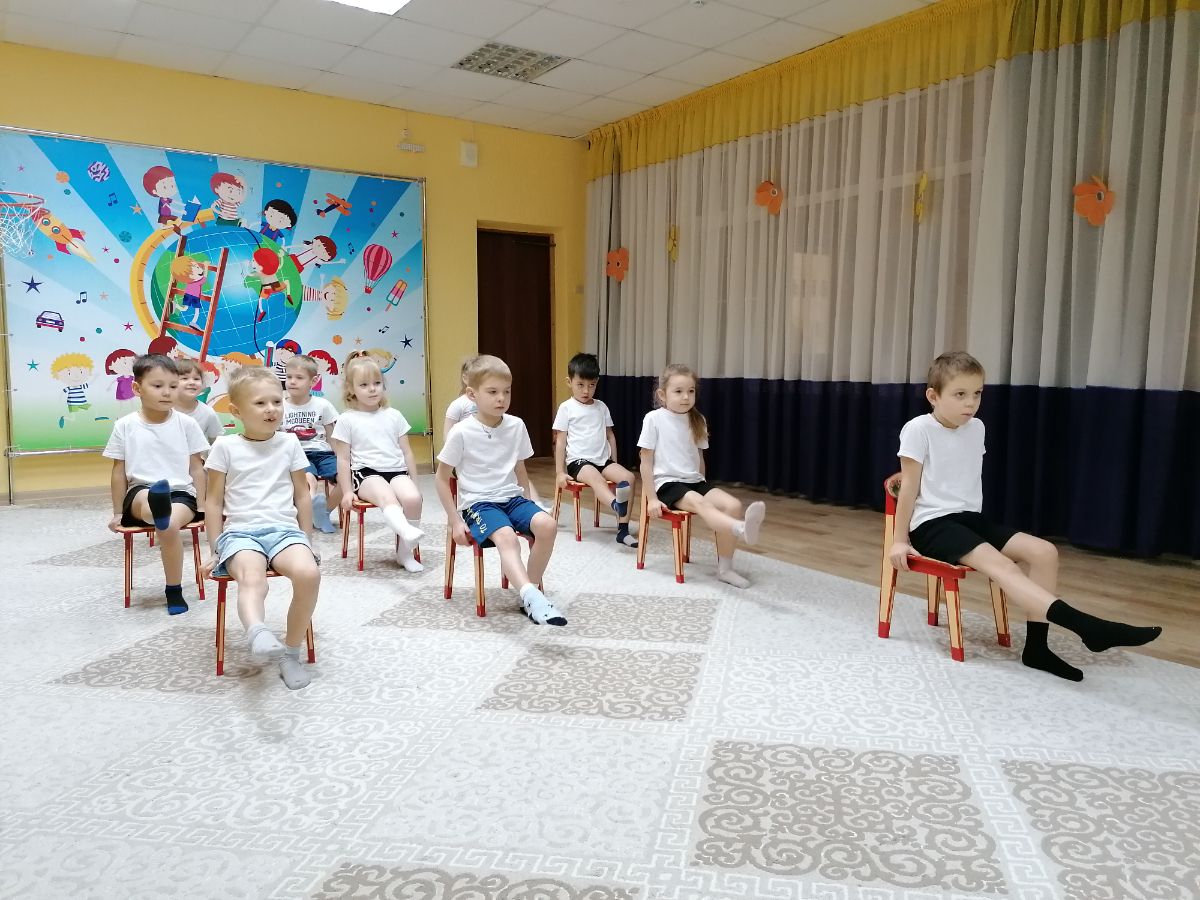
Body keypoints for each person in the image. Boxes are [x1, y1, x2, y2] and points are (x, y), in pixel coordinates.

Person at [889, 350, 1162, 681]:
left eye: (977, 393)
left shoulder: (976, 428)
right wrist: (899, 540)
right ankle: (1089, 627)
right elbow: (909, 488)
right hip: (932, 525)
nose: (970, 403)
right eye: (960, 394)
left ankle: (1037, 649)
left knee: (1045, 552)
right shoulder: (918, 429)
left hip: (969, 518)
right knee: (1004, 567)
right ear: (933, 396)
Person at [202, 367, 320, 690]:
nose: (271, 409)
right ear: (236, 411)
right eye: (260, 403)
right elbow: (213, 502)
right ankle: (257, 631)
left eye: (277, 401)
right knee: (253, 579)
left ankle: (290, 654)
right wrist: (215, 549)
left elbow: (302, 495)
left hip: (284, 530)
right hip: (241, 534)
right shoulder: (225, 446)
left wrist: (307, 541)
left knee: (309, 574)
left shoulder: (289, 442)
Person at [435, 355, 565, 626]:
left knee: (547, 525)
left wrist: (531, 506)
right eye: (492, 392)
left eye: (506, 391)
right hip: (478, 504)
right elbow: (441, 478)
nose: (501, 398)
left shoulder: (516, 425)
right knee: (507, 538)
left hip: (513, 499)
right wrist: (455, 521)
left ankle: (529, 593)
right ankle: (533, 598)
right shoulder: (461, 432)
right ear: (472, 394)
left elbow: (520, 470)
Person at [638, 363, 765, 589]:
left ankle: (725, 569)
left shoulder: (698, 420)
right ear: (662, 395)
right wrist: (652, 499)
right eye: (678, 391)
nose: (686, 397)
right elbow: (645, 463)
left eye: (691, 391)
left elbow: (699, 458)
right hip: (668, 484)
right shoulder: (653, 419)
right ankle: (740, 528)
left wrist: (704, 484)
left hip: (695, 481)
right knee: (701, 503)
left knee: (733, 504)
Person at [102, 354, 209, 615]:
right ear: (137, 388)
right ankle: (156, 509)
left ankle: (173, 587)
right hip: (139, 491)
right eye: (158, 386)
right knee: (147, 499)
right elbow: (119, 472)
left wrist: (203, 506)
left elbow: (197, 468)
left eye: (173, 386)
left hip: (181, 493)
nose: (167, 392)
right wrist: (117, 512)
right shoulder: (125, 425)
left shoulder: (187, 424)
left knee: (168, 524)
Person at [331, 351, 425, 572]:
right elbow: (343, 459)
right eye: (364, 385)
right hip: (366, 473)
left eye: (377, 383)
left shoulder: (394, 415)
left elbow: (407, 452)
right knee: (386, 497)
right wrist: (347, 491)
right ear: (351, 389)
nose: (372, 389)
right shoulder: (347, 419)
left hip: (396, 470)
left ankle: (404, 554)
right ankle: (406, 531)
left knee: (412, 499)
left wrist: (414, 483)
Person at [553, 352, 638, 548]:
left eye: (591, 385)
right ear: (569, 382)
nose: (586, 390)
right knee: (597, 479)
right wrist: (559, 472)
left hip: (603, 460)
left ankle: (623, 530)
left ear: (597, 382)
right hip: (579, 462)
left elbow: (610, 436)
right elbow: (560, 441)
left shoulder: (601, 407)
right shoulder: (566, 408)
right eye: (580, 385)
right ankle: (617, 505)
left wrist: (614, 461)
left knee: (629, 477)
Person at [282, 354, 341, 534]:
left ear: (313, 381)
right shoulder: (280, 406)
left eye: (299, 378)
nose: (292, 381)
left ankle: (323, 512)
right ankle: (310, 507)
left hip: (324, 453)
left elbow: (332, 435)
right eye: (289, 377)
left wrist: (341, 458)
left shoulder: (323, 405)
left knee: (346, 479)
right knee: (309, 479)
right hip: (297, 455)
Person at [175, 357, 222, 444]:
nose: (192, 382)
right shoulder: (163, 409)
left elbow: (216, 442)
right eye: (184, 378)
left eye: (196, 379)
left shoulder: (208, 413)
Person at [441, 355, 479, 440]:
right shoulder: (458, 404)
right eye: (476, 377)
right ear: (465, 378)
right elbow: (447, 436)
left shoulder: (489, 403)